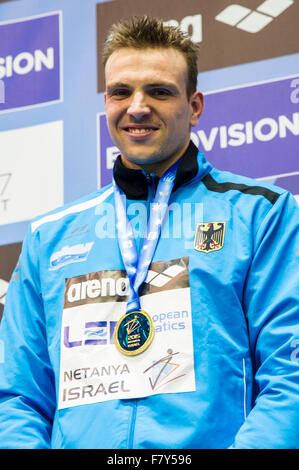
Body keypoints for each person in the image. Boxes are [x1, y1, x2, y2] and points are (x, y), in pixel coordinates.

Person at [0, 15, 298, 450]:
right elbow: (18, 398)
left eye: (159, 91)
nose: (137, 107)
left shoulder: (262, 214)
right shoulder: (52, 236)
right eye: (120, 92)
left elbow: (289, 373)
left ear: (195, 107)